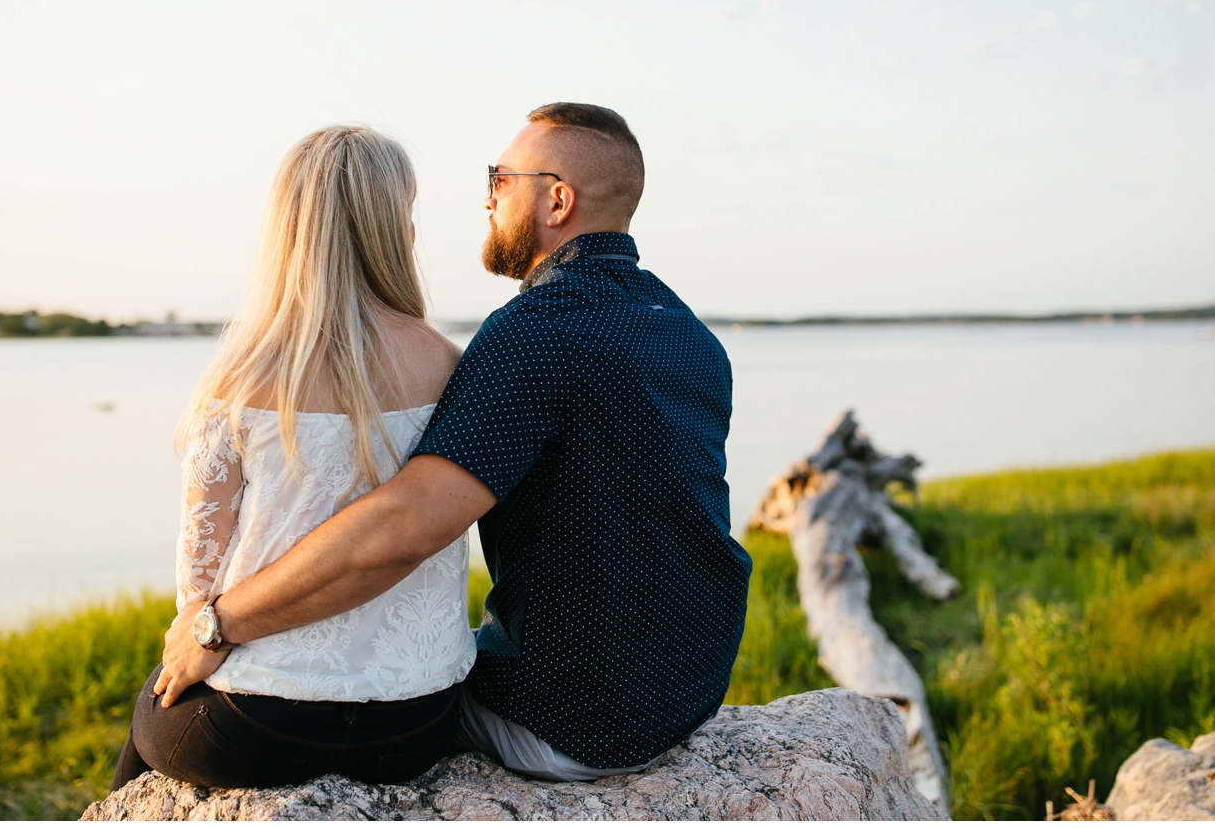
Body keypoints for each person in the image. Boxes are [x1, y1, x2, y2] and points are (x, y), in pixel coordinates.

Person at [152, 102, 752, 783]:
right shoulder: (687, 334)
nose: (488, 198)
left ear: (557, 200)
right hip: (685, 696)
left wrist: (219, 622)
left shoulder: (534, 335)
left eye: (501, 179)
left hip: (573, 722)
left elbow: (402, 526)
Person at [111, 124, 473, 791]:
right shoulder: (452, 365)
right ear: (389, 228)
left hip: (258, 722)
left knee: (150, 712)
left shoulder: (239, 377)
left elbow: (197, 586)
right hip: (416, 720)